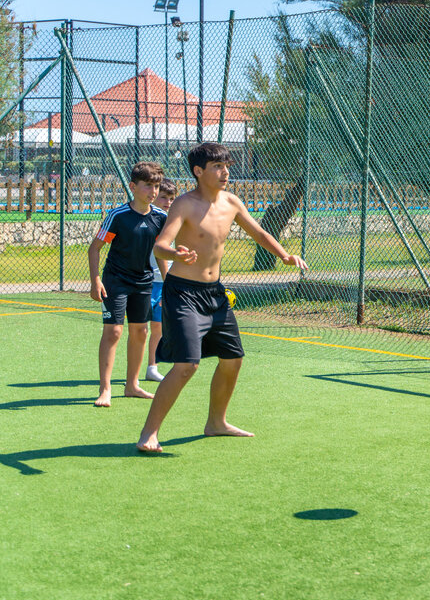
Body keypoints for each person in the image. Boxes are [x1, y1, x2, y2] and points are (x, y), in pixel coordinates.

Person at [136, 143, 307, 453]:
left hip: (215, 294)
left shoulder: (231, 202)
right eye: (217, 166)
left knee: (233, 359)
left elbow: (259, 233)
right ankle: (149, 433)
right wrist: (175, 252)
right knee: (187, 365)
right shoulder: (184, 205)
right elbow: (160, 246)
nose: (225, 171)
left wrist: (284, 255)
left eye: (226, 165)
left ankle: (216, 422)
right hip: (183, 294)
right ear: (199, 172)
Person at [88, 161, 168, 408]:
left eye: (156, 186)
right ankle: (105, 389)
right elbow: (95, 248)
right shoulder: (118, 216)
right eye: (147, 186)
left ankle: (132, 385)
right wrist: (95, 281)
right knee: (113, 332)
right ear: (133, 186)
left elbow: (161, 254)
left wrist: (168, 285)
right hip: (116, 281)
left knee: (140, 332)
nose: (153, 192)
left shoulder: (161, 218)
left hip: (143, 283)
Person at [143, 178, 178, 383]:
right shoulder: (150, 220)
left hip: (163, 282)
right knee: (141, 328)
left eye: (172, 198)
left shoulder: (171, 221)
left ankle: (152, 367)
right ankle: (132, 374)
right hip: (146, 282)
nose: (168, 202)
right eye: (164, 197)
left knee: (158, 327)